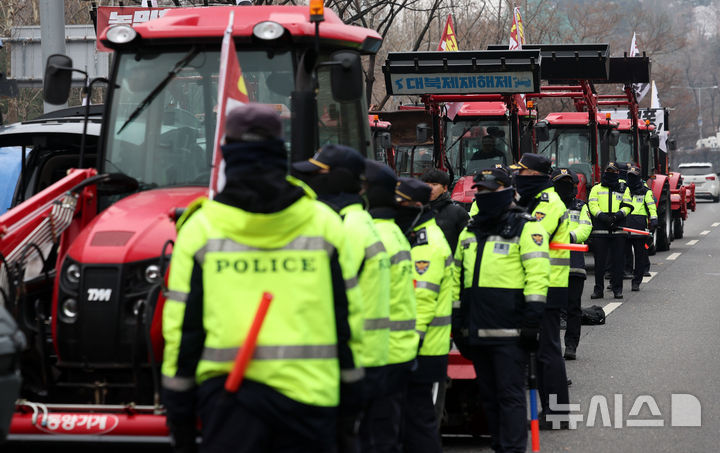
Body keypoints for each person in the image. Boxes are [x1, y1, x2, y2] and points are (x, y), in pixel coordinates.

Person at [161, 103, 365, 453]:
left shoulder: (200, 230)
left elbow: (183, 333)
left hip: (230, 405)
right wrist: (350, 412)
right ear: (280, 151)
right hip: (311, 403)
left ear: (227, 152)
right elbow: (348, 325)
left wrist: (180, 417)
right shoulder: (325, 225)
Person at [293, 145, 391, 453]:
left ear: (339, 179)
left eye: (317, 175)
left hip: (352, 357)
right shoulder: (358, 221)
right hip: (367, 354)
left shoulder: (344, 228)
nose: (310, 183)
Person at [452, 167, 551, 453]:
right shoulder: (470, 230)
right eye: (479, 190)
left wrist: (532, 320)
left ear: (507, 191)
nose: (482, 195)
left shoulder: (526, 226)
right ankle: (499, 446)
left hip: (511, 332)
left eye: (489, 190)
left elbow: (537, 275)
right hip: (476, 330)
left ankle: (512, 449)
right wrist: (458, 321)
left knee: (510, 397)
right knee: (489, 398)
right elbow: (456, 279)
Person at [363, 160, 419, 452]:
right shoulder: (394, 233)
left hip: (378, 352)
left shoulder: (374, 235)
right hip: (397, 348)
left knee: (378, 435)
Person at [395, 177, 453, 453]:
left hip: (425, 348)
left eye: (401, 202)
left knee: (420, 422)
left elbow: (423, 299)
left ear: (416, 206)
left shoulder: (427, 244)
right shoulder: (414, 236)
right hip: (418, 345)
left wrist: (410, 342)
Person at [514, 153, 571, 429]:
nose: (518, 177)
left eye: (522, 173)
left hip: (549, 283)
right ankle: (545, 410)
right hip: (532, 282)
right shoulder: (530, 199)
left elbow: (531, 234)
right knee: (535, 350)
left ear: (536, 176)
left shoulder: (548, 204)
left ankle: (558, 413)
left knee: (548, 351)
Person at [551, 168, 592, 361]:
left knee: (573, 308)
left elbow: (585, 227)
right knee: (551, 310)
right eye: (561, 183)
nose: (565, 187)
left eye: (569, 183)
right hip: (550, 267)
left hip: (574, 265)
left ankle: (571, 345)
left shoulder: (580, 206)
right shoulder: (548, 206)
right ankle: (551, 347)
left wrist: (569, 236)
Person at [587, 161, 633, 299]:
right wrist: (602, 217)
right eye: (608, 171)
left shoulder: (624, 188)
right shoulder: (596, 188)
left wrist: (617, 216)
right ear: (604, 172)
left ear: (618, 173)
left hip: (618, 229)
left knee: (618, 262)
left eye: (613, 171)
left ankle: (617, 289)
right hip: (600, 230)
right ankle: (598, 290)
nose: (610, 173)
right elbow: (592, 205)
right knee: (599, 263)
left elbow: (628, 206)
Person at [420, 168, 470, 253]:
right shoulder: (415, 212)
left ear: (445, 188)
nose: (429, 188)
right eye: (426, 184)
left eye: (434, 184)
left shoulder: (458, 213)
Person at [625, 165, 658, 292]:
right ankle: (619, 278)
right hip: (625, 227)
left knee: (640, 257)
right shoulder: (623, 190)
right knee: (624, 256)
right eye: (629, 176)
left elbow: (651, 207)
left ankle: (636, 281)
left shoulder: (646, 191)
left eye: (634, 177)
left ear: (638, 178)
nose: (631, 179)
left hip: (639, 228)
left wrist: (654, 219)